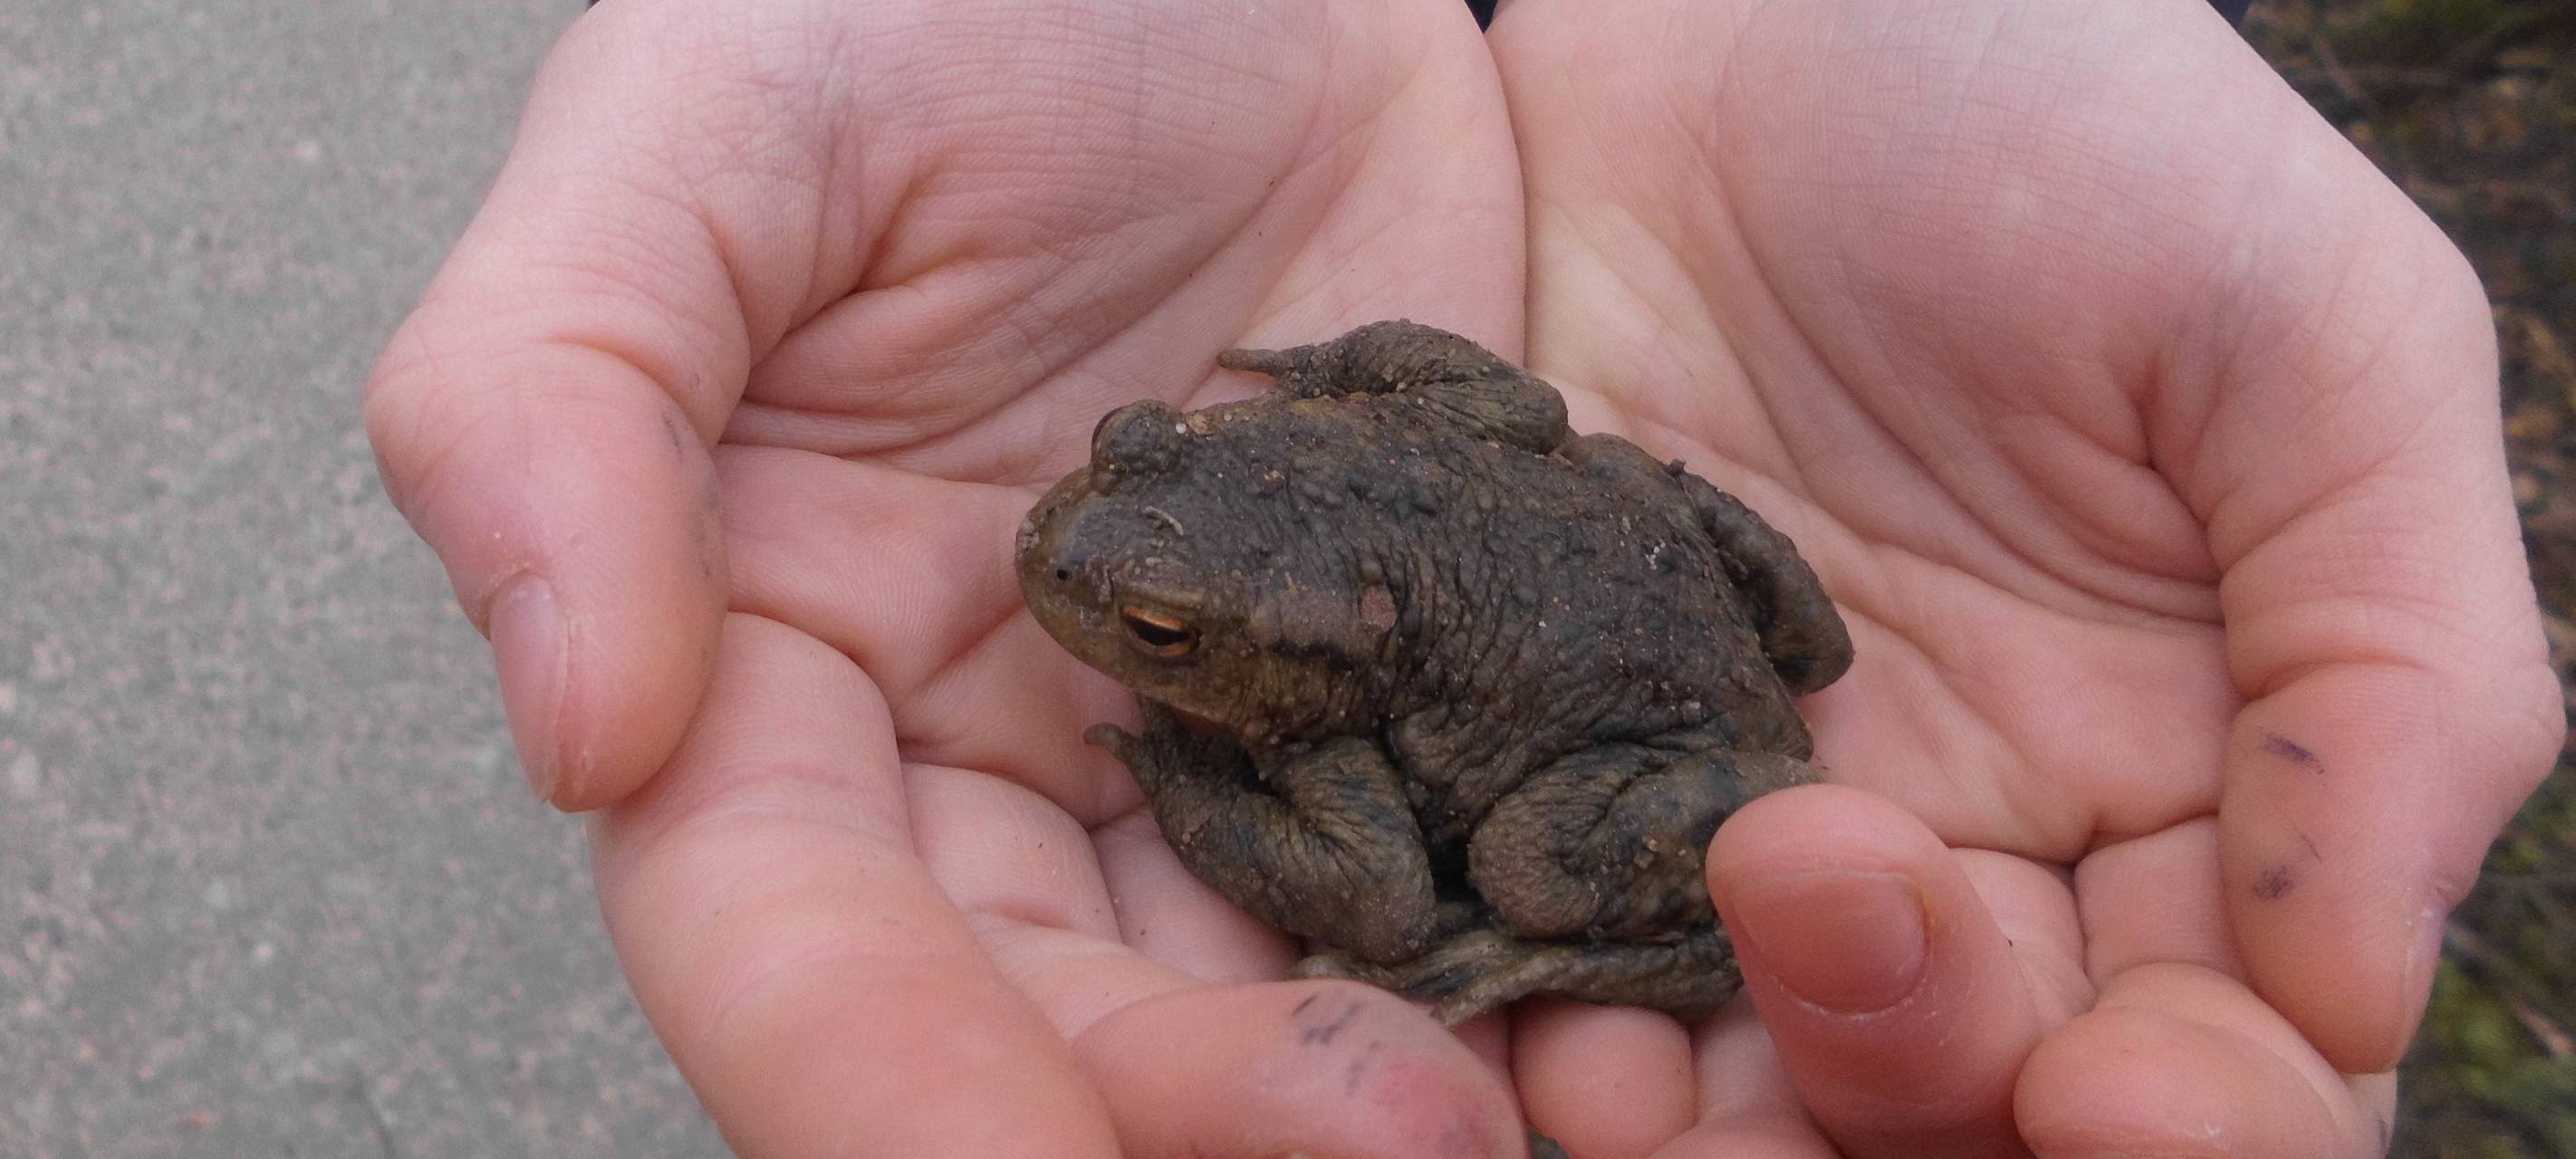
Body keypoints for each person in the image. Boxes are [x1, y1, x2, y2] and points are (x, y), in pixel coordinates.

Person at [363, 0, 2562, 1154]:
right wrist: (1316, 390)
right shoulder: (1371, 444)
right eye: (1143, 473)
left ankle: (1606, 941)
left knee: (1507, 846)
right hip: (1638, 549)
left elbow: (1403, 902)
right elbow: (1499, 400)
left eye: (1151, 634)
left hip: (1624, 736)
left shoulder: (1304, 696)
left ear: (1263, 673)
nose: (1080, 555)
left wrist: (1194, 777)